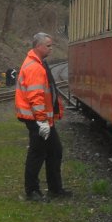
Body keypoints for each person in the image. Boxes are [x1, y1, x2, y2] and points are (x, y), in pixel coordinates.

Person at [15, 32, 71, 201]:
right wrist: (42, 121)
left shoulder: (38, 64)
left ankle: (55, 189)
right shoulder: (35, 67)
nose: (51, 49)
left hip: (41, 119)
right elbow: (36, 96)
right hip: (37, 119)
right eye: (48, 46)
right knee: (37, 153)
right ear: (38, 46)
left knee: (54, 151)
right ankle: (32, 191)